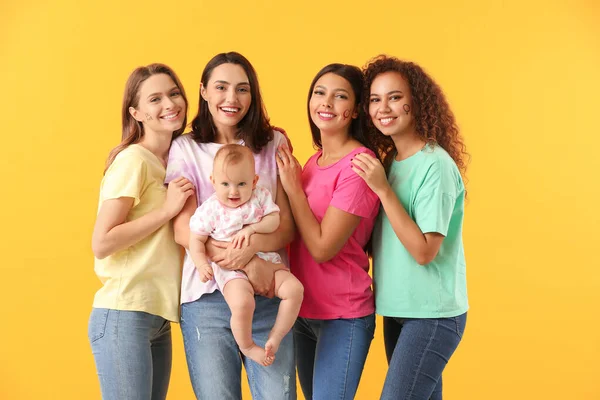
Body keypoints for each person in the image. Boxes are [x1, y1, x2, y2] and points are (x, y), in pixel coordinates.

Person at [165, 52, 297, 399]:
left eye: (242, 89)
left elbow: (285, 228)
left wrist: (254, 252)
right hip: (206, 296)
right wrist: (240, 261)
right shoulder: (185, 149)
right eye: (221, 87)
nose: (231, 98)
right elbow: (184, 230)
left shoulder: (273, 144)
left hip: (267, 293)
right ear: (204, 91)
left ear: (253, 96)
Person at [351, 55, 470, 400]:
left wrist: (383, 191)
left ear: (416, 102)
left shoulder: (436, 165)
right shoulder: (390, 163)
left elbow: (423, 251)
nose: (383, 108)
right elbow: (386, 240)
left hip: (432, 315)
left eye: (394, 97)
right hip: (397, 309)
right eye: (375, 99)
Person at [88, 63, 194, 399]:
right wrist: (167, 210)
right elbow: (102, 242)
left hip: (157, 317)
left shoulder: (175, 161)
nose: (169, 104)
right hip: (124, 312)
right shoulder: (135, 160)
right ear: (136, 113)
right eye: (155, 99)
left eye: (174, 93)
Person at [276, 63, 380, 400]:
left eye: (340, 96)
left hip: (342, 315)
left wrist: (293, 189)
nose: (326, 103)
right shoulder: (312, 162)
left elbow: (322, 247)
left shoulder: (358, 165)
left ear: (355, 111)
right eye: (319, 93)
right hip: (303, 312)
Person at [188, 144, 303, 367]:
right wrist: (201, 263)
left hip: (267, 260)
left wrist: (251, 229)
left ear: (254, 180)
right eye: (225, 184)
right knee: (242, 303)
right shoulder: (210, 210)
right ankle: (248, 346)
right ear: (213, 181)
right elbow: (195, 239)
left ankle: (276, 336)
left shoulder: (259, 197)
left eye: (242, 184)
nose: (234, 192)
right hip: (232, 270)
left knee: (295, 290)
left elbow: (274, 221)